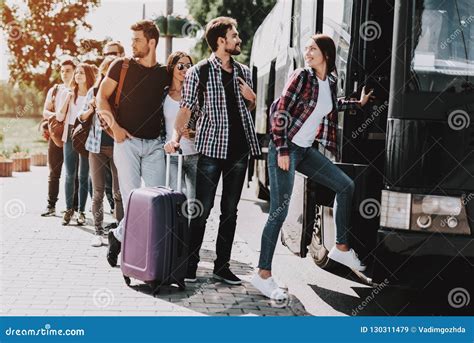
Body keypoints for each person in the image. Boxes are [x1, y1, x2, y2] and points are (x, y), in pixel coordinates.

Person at [250, 34, 374, 300]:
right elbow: (280, 110)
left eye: (313, 49)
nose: (307, 52)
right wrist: (282, 148)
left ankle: (340, 246)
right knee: (278, 212)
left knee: (345, 185)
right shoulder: (301, 76)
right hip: (285, 148)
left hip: (305, 151)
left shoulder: (328, 81)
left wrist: (358, 104)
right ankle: (262, 274)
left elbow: (331, 105)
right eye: (306, 48)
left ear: (326, 54)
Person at [166, 17, 261, 285]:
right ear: (221, 41)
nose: (239, 39)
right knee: (202, 210)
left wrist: (252, 100)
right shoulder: (199, 72)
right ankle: (190, 266)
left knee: (230, 210)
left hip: (239, 151)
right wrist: (175, 138)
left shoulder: (243, 71)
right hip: (210, 150)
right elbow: (185, 110)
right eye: (235, 35)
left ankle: (222, 266)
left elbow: (246, 110)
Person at [97, 20, 170, 267]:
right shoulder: (121, 66)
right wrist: (115, 128)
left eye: (137, 40)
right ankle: (137, 257)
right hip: (126, 143)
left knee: (156, 203)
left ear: (152, 42)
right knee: (132, 203)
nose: (132, 44)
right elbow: (101, 99)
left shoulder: (164, 73)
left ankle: (117, 236)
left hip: (154, 146)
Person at [79, 56, 124, 247]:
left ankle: (121, 232)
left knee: (118, 192)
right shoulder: (94, 91)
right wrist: (90, 109)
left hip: (118, 147)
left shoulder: (123, 93)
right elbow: (81, 117)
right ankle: (97, 231)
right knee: (97, 191)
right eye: (107, 71)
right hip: (96, 147)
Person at [57, 63, 97, 226]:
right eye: (77, 73)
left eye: (82, 73)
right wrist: (66, 100)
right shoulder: (69, 93)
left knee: (84, 175)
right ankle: (68, 209)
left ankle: (81, 211)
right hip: (71, 132)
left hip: (86, 134)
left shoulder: (93, 93)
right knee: (69, 174)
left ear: (88, 75)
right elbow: (60, 117)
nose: (78, 75)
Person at [41, 60, 75, 217]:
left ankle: (73, 208)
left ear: (75, 71)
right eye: (62, 71)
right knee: (54, 172)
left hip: (73, 136)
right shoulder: (55, 90)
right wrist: (57, 117)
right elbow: (45, 112)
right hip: (55, 135)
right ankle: (51, 205)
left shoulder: (78, 90)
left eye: (68, 70)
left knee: (73, 173)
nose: (65, 73)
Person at [162, 51, 198, 200]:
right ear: (172, 67)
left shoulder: (195, 94)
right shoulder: (163, 94)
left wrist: (195, 132)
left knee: (193, 199)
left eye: (189, 66)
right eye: (181, 66)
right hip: (172, 155)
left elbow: (206, 121)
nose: (185, 70)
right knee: (178, 194)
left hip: (194, 154)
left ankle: (191, 224)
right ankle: (177, 224)